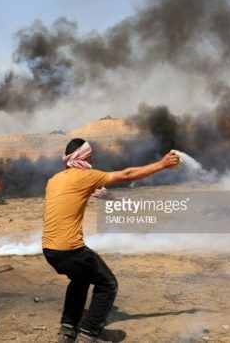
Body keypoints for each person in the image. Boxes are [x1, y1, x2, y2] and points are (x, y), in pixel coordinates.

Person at [43, 138, 179, 343]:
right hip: (71, 250)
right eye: (90, 155)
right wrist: (162, 164)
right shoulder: (86, 175)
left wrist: (112, 199)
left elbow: (73, 197)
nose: (92, 158)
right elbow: (127, 174)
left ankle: (68, 329)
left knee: (80, 279)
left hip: (50, 250)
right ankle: (88, 334)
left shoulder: (55, 179)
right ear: (85, 156)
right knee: (107, 284)